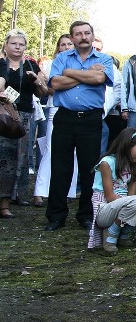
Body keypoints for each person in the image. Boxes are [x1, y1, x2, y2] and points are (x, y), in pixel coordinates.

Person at [45, 21, 115, 231]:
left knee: (89, 169)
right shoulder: (62, 58)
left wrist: (70, 73)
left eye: (87, 33)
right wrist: (86, 75)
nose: (83, 36)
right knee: (60, 168)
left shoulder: (104, 59)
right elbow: (55, 84)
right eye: (78, 34)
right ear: (72, 37)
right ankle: (56, 217)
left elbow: (99, 78)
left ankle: (85, 215)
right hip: (64, 118)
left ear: (93, 36)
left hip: (90, 120)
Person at [0, 29, 48, 218]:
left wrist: (36, 80)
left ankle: (17, 195)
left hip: (24, 115)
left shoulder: (30, 64)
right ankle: (4, 202)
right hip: (3, 115)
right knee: (5, 159)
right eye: (14, 43)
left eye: (21, 44)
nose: (18, 47)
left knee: (22, 156)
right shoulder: (1, 64)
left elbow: (43, 92)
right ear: (6, 45)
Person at [33, 34, 77, 207]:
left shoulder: (79, 63)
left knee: (73, 152)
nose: (66, 47)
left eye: (69, 44)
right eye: (62, 44)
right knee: (51, 149)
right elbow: (50, 89)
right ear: (58, 47)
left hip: (74, 110)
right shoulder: (53, 64)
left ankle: (68, 192)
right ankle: (40, 191)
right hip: (56, 108)